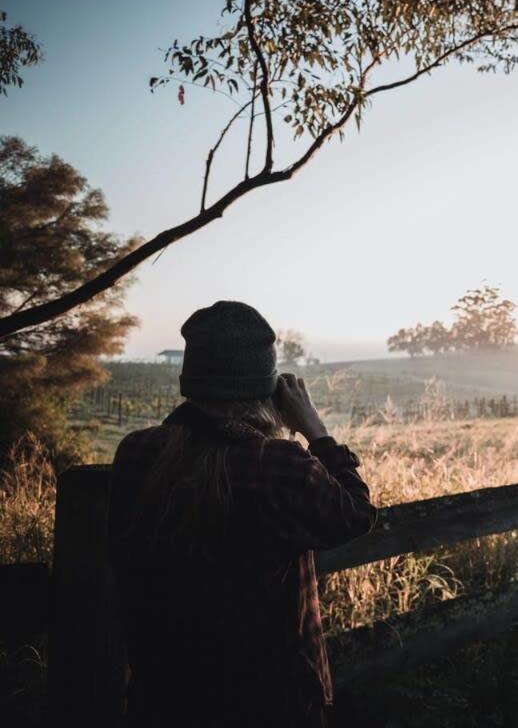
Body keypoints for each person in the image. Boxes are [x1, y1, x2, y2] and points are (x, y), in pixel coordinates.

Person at [107, 301, 377, 727]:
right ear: (268, 391)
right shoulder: (277, 463)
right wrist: (316, 432)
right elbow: (356, 515)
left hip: (164, 698)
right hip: (270, 702)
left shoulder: (137, 453)